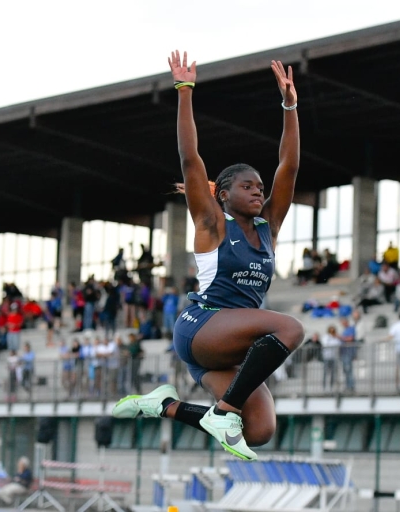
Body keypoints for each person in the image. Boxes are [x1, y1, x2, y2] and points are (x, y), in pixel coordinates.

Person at [112, 51, 303, 462]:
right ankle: (225, 412)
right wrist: (184, 91)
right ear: (223, 195)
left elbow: (289, 165)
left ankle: (164, 406)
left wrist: (290, 106)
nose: (258, 191)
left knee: (261, 430)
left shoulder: (269, 227)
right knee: (290, 328)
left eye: (259, 186)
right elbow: (190, 159)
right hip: (203, 329)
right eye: (247, 186)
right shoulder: (213, 224)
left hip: (230, 347)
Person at [338, 317, 356, 393]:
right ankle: (347, 385)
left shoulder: (351, 329)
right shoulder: (344, 330)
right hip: (344, 352)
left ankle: (351, 386)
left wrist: (340, 337)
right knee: (345, 370)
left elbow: (350, 339)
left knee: (348, 370)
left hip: (348, 352)